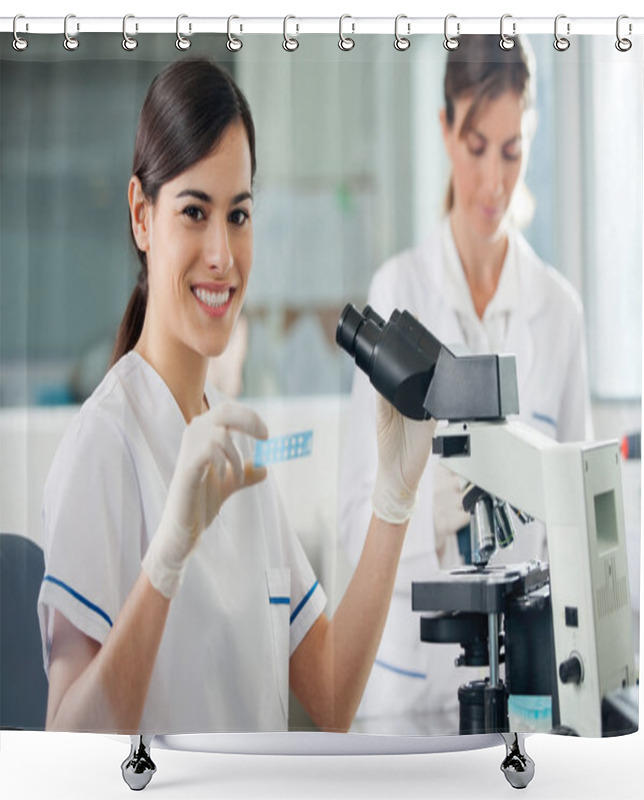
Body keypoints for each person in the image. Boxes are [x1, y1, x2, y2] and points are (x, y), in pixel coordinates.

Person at [37, 58, 435, 736]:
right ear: (142, 215)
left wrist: (393, 502)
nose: (222, 254)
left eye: (239, 214)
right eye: (194, 212)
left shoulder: (236, 440)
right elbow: (69, 750)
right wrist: (165, 558)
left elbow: (333, 695)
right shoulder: (105, 443)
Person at [338, 36, 593, 725]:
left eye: (512, 151)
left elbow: (580, 509)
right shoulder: (399, 290)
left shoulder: (559, 311)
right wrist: (434, 505)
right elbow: (351, 512)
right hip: (410, 685)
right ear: (445, 128)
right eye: (477, 147)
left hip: (529, 681)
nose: (492, 182)